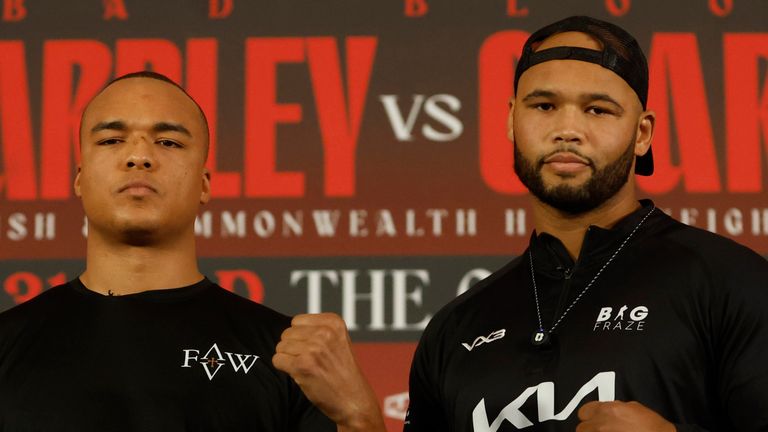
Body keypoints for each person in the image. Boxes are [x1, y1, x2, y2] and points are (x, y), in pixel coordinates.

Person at [403, 15, 768, 432]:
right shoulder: (453, 329)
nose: (567, 129)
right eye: (544, 106)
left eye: (597, 109)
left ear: (642, 133)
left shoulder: (733, 284)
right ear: (510, 120)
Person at [0, 71, 385, 432]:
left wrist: (361, 419)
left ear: (204, 184)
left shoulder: (290, 356)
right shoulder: (7, 343)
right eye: (111, 140)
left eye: (168, 142)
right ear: (80, 179)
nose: (139, 156)